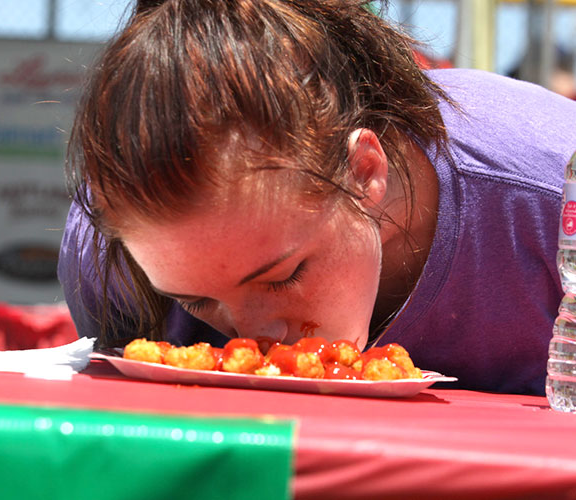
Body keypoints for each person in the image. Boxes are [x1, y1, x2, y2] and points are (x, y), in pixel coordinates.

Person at [58, 0, 576, 395]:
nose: (257, 334)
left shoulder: (552, 195)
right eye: (195, 300)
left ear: (364, 171)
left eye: (283, 276)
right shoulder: (110, 256)